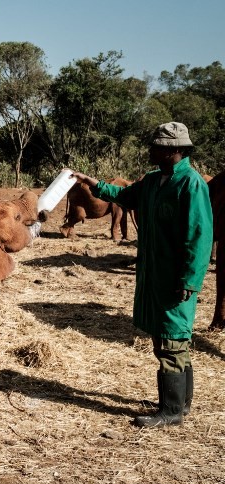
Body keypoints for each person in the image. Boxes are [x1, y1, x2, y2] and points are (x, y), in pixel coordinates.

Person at [71, 121, 212, 428]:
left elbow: (200, 236)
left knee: (173, 337)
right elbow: (122, 195)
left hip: (176, 278)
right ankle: (180, 403)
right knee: (166, 337)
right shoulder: (152, 181)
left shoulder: (191, 184)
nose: (151, 149)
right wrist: (91, 182)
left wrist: (190, 279)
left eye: (156, 145)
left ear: (173, 150)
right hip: (154, 275)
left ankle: (171, 410)